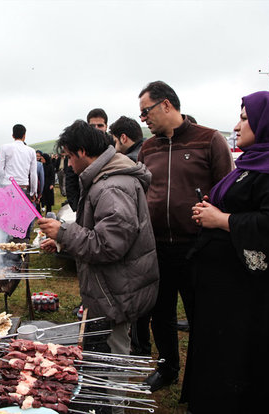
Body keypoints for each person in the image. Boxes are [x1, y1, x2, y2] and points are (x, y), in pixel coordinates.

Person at [182, 91, 269, 413]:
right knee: (224, 354)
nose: (237, 125)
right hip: (231, 286)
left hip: (256, 289)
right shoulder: (254, 162)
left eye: (245, 118)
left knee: (248, 359)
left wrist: (221, 219)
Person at [136, 81, 233, 391]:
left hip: (198, 246)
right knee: (159, 313)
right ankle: (167, 368)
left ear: (166, 105)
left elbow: (228, 192)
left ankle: (201, 380)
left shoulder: (209, 139)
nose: (144, 119)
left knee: (200, 316)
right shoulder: (148, 147)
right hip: (158, 247)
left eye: (146, 112)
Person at [38, 120, 159, 358]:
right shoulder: (105, 178)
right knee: (110, 348)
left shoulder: (111, 186)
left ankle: (117, 396)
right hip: (113, 286)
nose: (69, 164)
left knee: (115, 355)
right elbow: (100, 230)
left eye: (70, 157)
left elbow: (108, 245)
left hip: (117, 289)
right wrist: (63, 242)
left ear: (82, 152)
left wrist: (63, 232)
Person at [109, 116, 150, 355]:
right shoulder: (147, 151)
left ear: (123, 138)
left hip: (137, 238)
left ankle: (139, 348)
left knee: (136, 303)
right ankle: (141, 346)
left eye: (115, 140)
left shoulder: (128, 162)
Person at [65, 108, 111, 212]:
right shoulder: (79, 146)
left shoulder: (113, 146)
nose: (96, 129)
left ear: (106, 126)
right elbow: (71, 179)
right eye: (92, 126)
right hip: (85, 202)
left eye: (100, 125)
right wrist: (77, 207)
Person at [0, 124, 37, 199]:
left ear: (13, 135)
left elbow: (0, 170)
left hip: (8, 185)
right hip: (23, 186)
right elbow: (33, 174)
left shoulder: (4, 147)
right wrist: (33, 191)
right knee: (21, 210)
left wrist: (2, 183)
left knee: (7, 210)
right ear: (24, 136)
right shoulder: (31, 151)